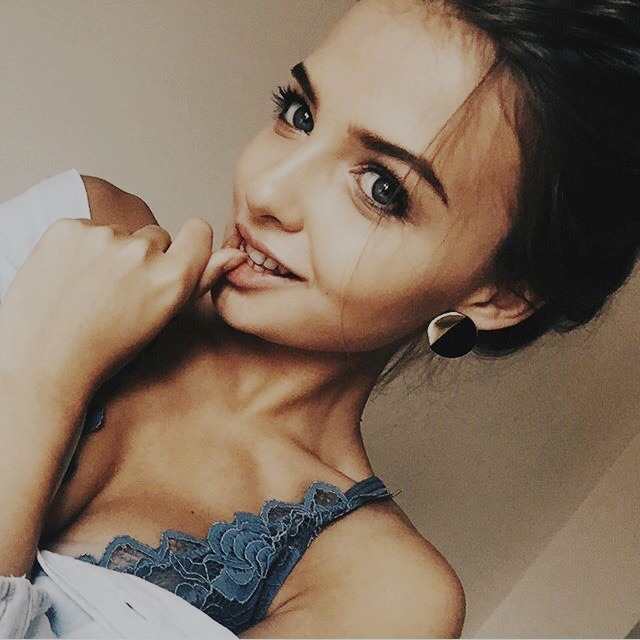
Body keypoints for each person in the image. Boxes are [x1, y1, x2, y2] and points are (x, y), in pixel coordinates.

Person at [0, 0, 638, 637]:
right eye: (299, 114)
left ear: (500, 296)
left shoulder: (380, 593)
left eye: (382, 188)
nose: (267, 191)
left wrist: (39, 380)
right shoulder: (79, 230)